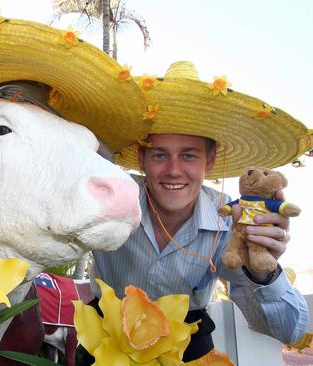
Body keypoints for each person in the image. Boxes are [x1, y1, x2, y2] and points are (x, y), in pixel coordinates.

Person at [88, 61, 311, 362]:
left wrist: (264, 273)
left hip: (188, 350)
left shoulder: (230, 222)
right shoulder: (109, 195)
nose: (174, 170)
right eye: (159, 155)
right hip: (103, 344)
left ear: (210, 159)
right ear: (142, 159)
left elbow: (289, 331)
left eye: (188, 155)